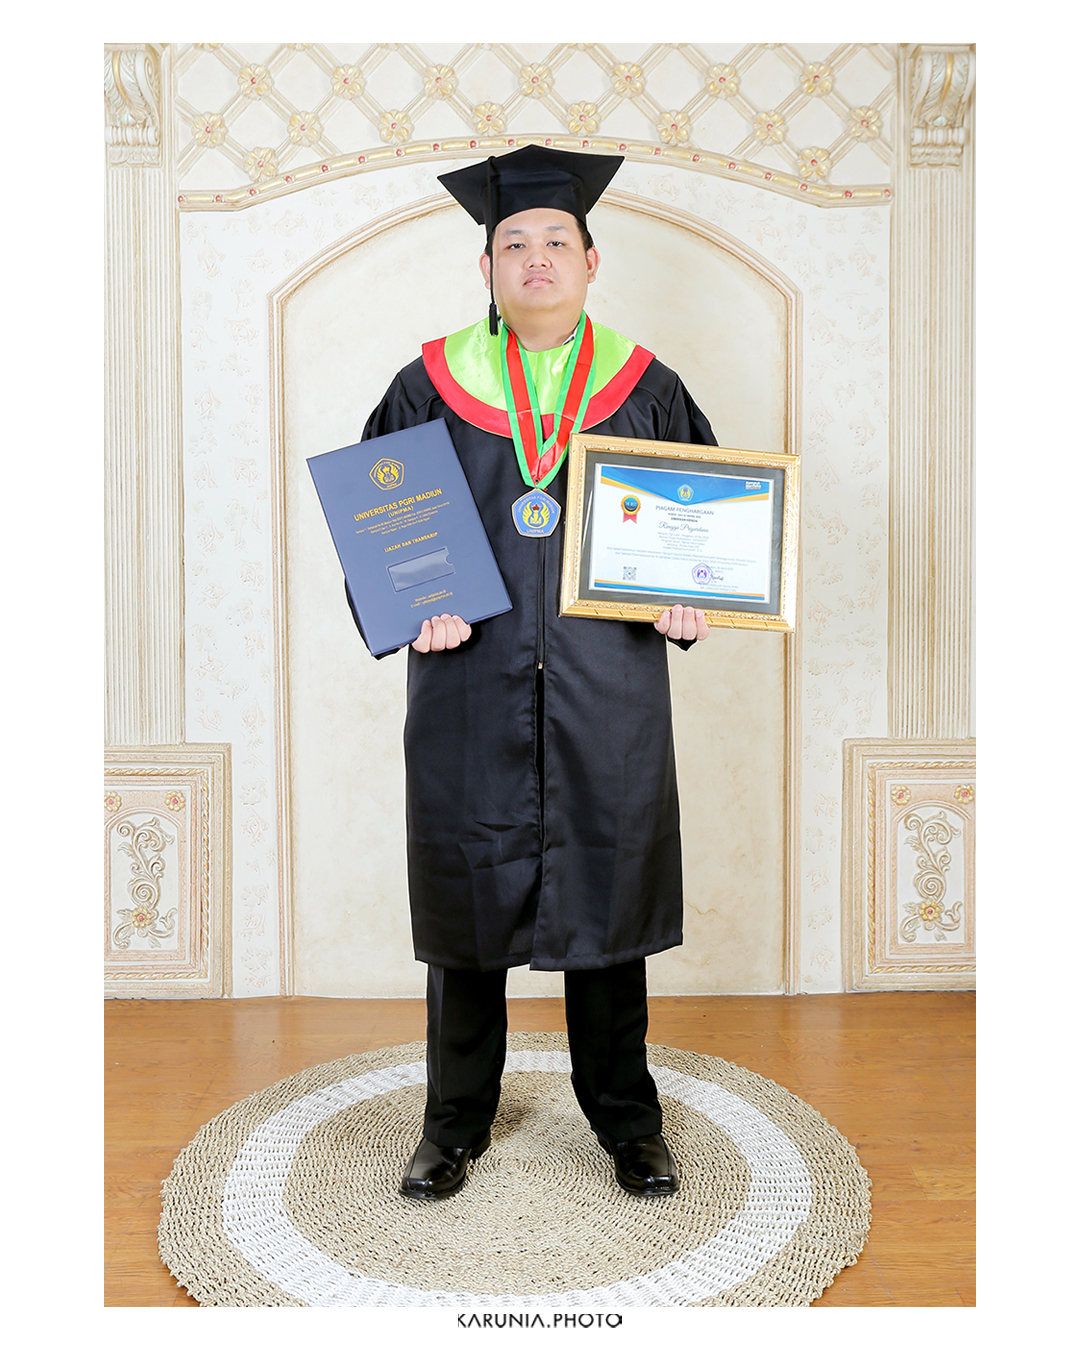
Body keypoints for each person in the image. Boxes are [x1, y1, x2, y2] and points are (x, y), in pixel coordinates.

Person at [349, 145, 716, 1201]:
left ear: (593, 261)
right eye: (516, 243)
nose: (537, 258)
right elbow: (386, 531)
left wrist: (690, 601)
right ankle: (452, 1125)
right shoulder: (430, 382)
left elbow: (704, 537)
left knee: (608, 902)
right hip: (471, 687)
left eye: (557, 241)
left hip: (610, 690)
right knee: (468, 909)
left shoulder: (645, 387)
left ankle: (628, 1125)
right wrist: (411, 603)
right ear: (487, 268)